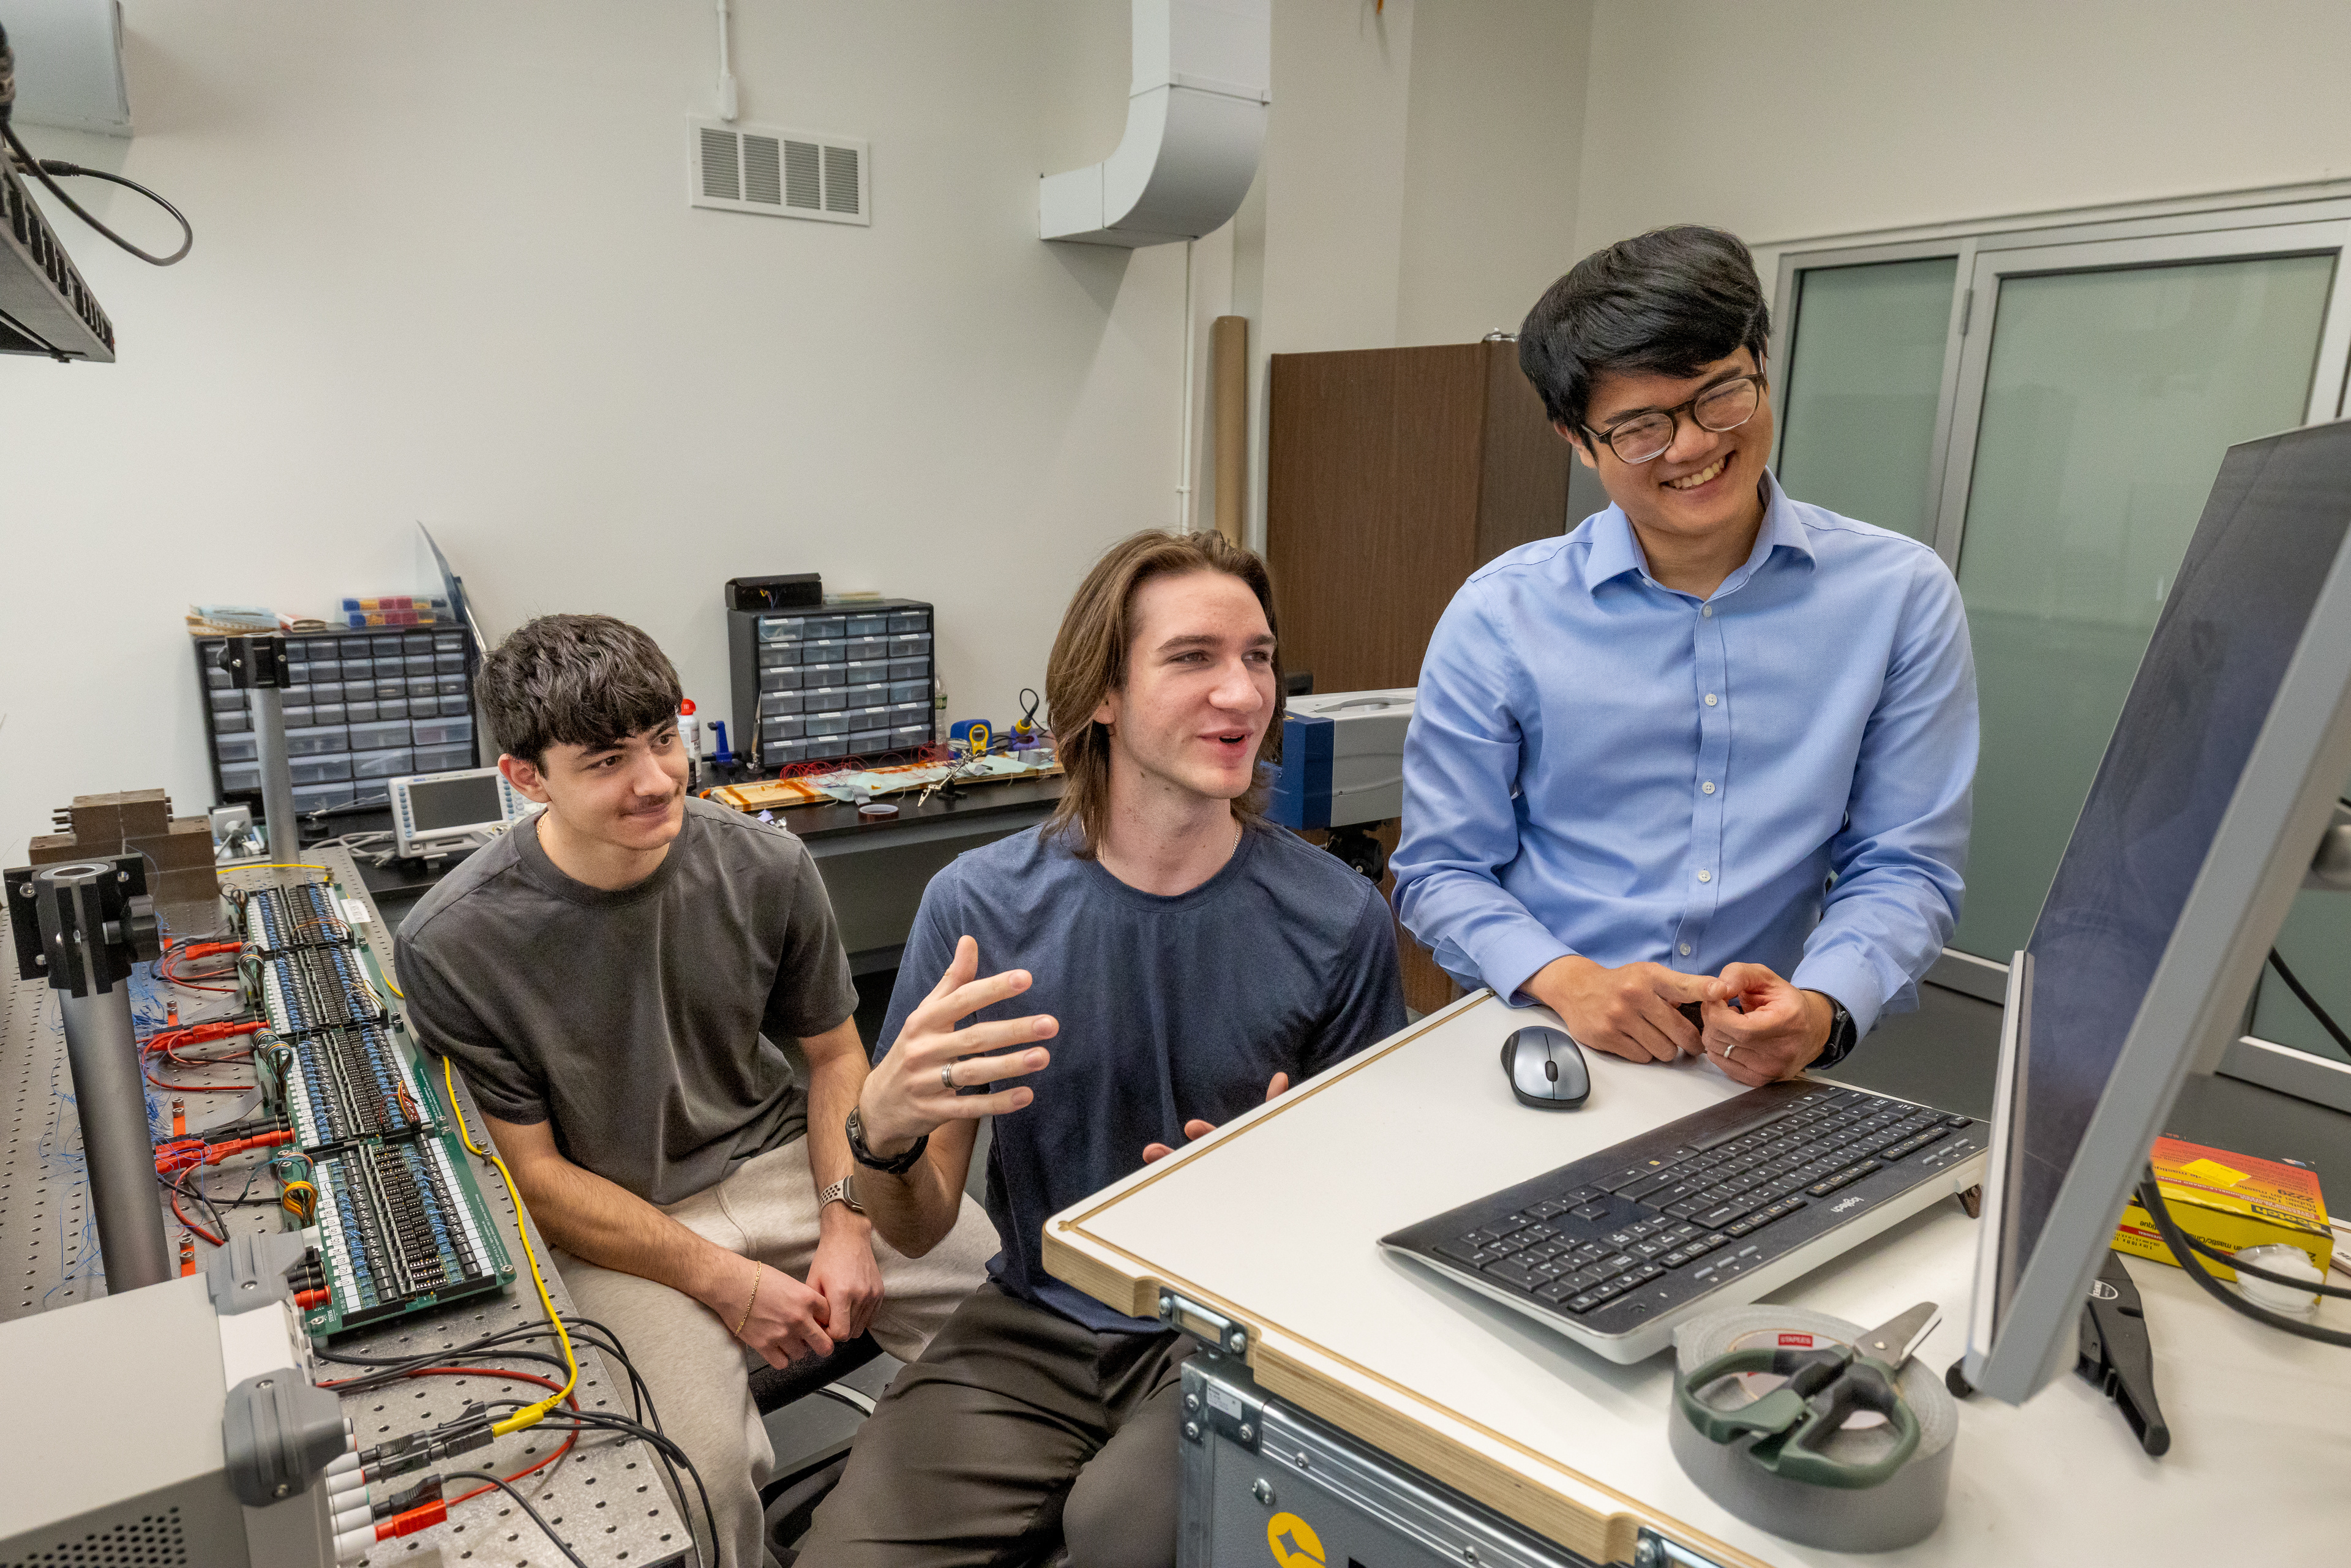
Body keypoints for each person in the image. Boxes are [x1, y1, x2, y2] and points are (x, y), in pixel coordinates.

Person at [794, 530, 1408, 1568]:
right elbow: (918, 1220)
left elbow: (1373, 1221)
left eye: (1257, 657)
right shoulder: (980, 907)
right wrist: (882, 1135)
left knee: (1123, 1532)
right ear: (1104, 695)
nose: (1243, 692)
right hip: (1032, 1320)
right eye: (1193, 657)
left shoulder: (1337, 919)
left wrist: (1279, 1195)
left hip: (1222, 1334)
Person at [394, 614, 997, 1568]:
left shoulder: (767, 865)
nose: (657, 780)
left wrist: (845, 1222)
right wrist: (727, 1281)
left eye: (664, 739)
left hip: (786, 1165)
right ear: (526, 777)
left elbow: (838, 1060)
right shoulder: (452, 942)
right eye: (605, 761)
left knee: (1010, 1314)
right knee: (690, 1478)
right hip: (624, 1224)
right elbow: (539, 1179)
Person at [1392, 225, 1978, 1086]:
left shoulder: (1899, 596)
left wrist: (1819, 1007)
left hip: (1759, 1066)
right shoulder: (1501, 614)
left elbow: (1906, 863)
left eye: (1720, 397)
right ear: (1574, 437)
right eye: (1640, 427)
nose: (1696, 445)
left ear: (1763, 370)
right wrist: (1571, 980)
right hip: (1548, 1045)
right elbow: (1442, 868)